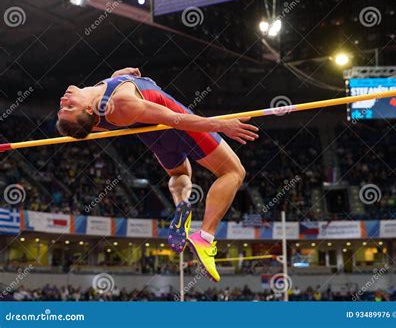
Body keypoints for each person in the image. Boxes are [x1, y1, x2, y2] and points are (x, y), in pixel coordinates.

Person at [56, 67, 259, 282]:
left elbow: (87, 124)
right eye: (70, 107)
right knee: (233, 171)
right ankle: (205, 237)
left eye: (63, 108)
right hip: (175, 124)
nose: (63, 101)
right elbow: (175, 118)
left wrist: (119, 76)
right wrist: (221, 125)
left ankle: (182, 204)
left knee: (180, 173)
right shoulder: (122, 103)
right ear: (88, 109)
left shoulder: (95, 103)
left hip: (153, 136)